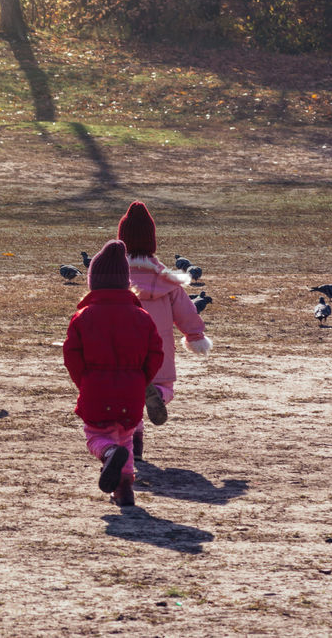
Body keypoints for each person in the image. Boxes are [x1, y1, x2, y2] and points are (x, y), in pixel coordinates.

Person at [63, 240, 164, 506]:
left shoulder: (83, 317)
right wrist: (142, 379)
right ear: (125, 282)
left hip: (96, 387)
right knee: (126, 437)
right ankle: (124, 488)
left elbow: (72, 355)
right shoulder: (142, 317)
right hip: (131, 391)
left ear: (92, 281)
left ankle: (108, 455)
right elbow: (156, 353)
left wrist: (83, 382)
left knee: (97, 436)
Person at [116, 201, 211, 460]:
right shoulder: (168, 281)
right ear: (152, 242)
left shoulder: (115, 278)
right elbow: (186, 313)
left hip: (122, 352)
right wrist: (195, 337)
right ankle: (157, 394)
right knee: (163, 386)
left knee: (127, 399)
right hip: (157, 351)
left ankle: (133, 447)